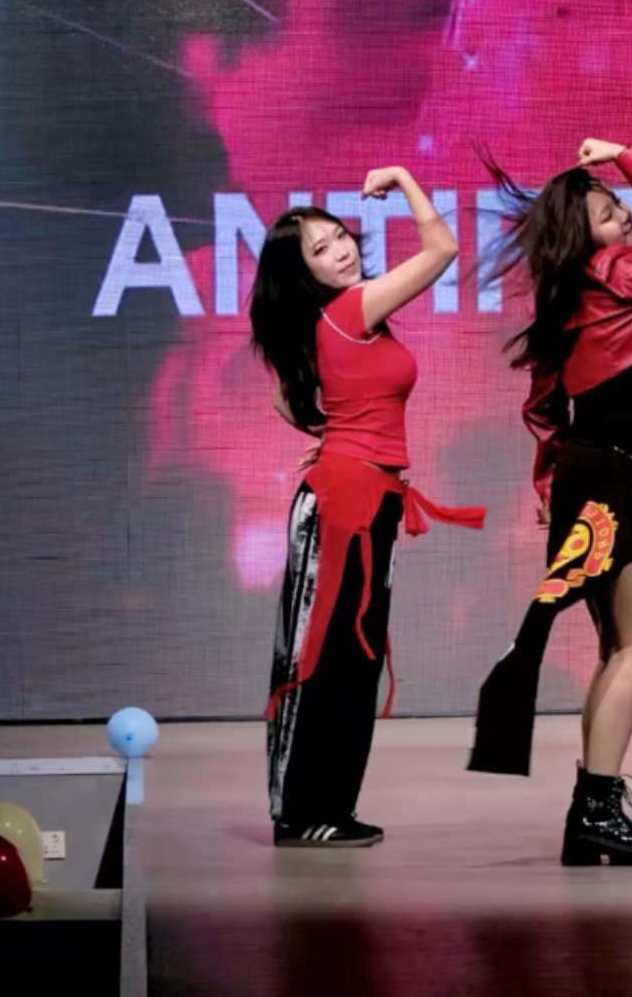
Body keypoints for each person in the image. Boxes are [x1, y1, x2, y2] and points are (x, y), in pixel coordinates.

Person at [468, 137, 632, 869]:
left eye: (620, 207)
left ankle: (592, 813)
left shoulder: (573, 294)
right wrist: (627, 155)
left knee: (620, 647)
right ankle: (595, 812)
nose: (627, 219)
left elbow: (544, 410)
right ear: (583, 237)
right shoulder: (615, 274)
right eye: (611, 212)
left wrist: (552, 490)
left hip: (594, 476)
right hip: (616, 478)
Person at [250, 166, 483, 849]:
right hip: (343, 506)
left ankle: (328, 808)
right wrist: (405, 179)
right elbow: (442, 249)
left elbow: (287, 398)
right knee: (324, 658)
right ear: (303, 273)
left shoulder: (342, 318)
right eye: (320, 250)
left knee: (354, 658)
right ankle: (302, 813)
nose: (341, 251)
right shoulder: (349, 311)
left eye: (339, 237)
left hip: (367, 497)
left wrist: (331, 439)